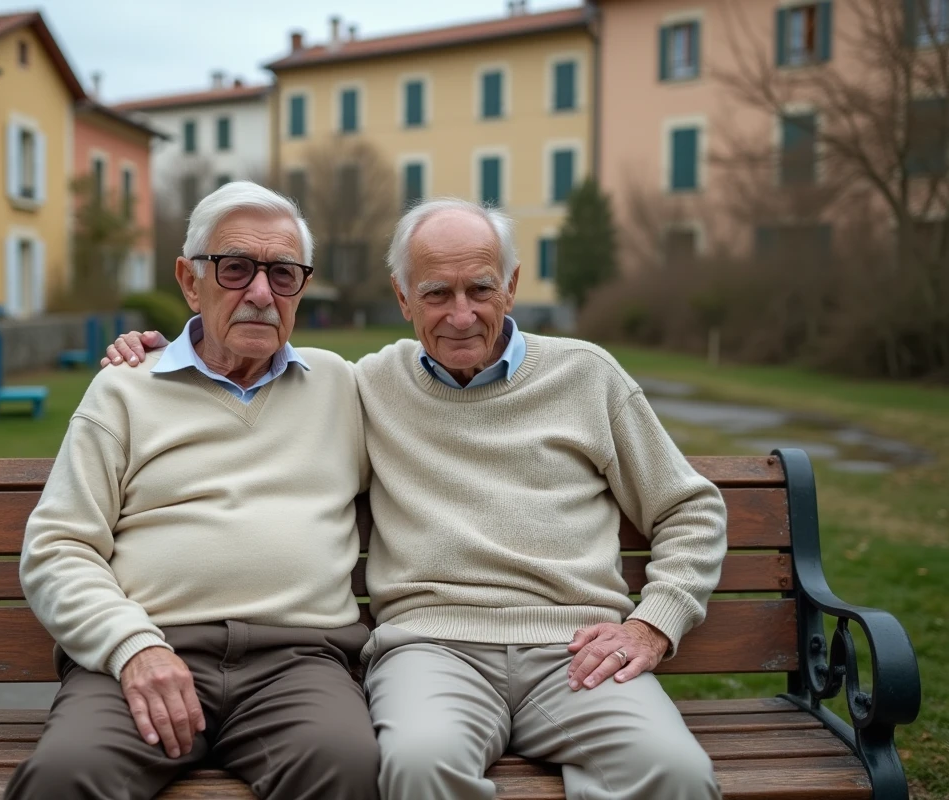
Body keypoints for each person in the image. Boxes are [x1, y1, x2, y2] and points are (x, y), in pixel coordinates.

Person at [104, 195, 728, 800]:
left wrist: (653, 623)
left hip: (576, 649)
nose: (461, 315)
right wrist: (165, 354)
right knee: (418, 766)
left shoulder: (587, 375)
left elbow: (689, 508)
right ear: (403, 298)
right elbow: (236, 365)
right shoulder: (368, 385)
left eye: (480, 289)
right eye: (436, 294)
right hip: (430, 650)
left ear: (511, 287)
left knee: (673, 773)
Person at [7, 181, 378, 800]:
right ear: (189, 280)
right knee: (65, 776)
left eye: (283, 274)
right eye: (235, 269)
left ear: (301, 288)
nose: (261, 293)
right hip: (146, 651)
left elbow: (447, 402)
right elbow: (57, 548)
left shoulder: (342, 387)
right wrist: (132, 648)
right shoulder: (125, 389)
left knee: (347, 765)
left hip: (298, 664)